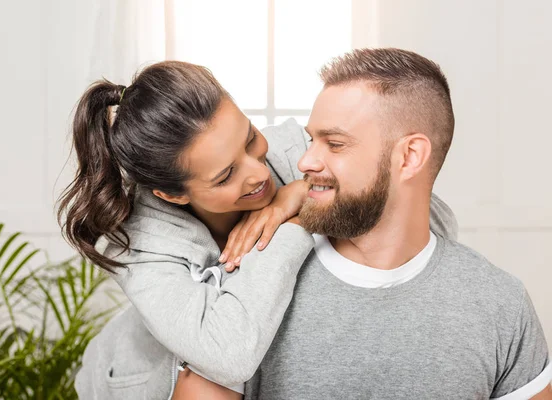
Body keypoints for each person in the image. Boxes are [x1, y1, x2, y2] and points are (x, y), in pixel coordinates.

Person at [62, 60, 457, 399]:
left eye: (250, 138)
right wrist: (297, 226)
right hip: (144, 385)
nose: (258, 173)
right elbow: (228, 357)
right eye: (226, 176)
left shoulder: (295, 152)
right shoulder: (138, 246)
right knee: (211, 382)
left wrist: (298, 196)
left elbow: (429, 221)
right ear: (173, 195)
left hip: (273, 372)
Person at [243, 48, 552, 399]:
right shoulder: (254, 284)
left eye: (335, 143)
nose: (306, 161)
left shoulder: (500, 304)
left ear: (409, 157)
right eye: (312, 140)